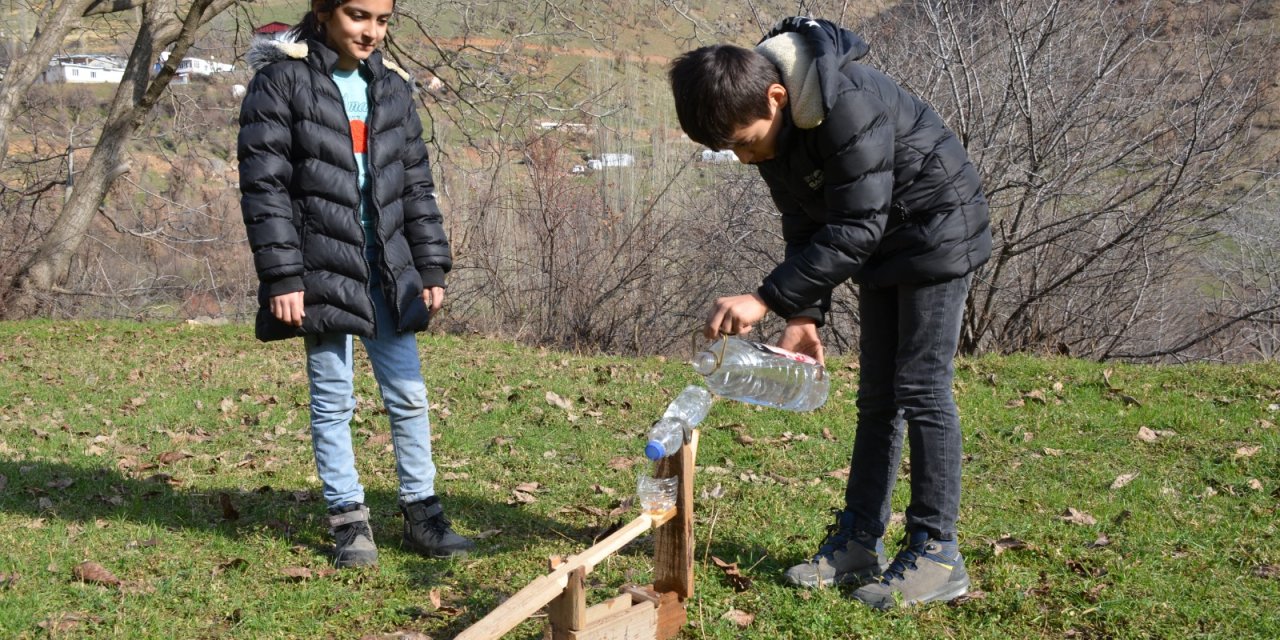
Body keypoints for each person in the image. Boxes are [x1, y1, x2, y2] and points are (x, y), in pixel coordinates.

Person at [668, 17, 991, 609]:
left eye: (743, 141)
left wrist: (766, 299)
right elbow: (805, 222)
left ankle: (937, 552)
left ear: (776, 96)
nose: (742, 157)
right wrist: (805, 315)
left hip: (935, 231)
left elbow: (854, 227)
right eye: (727, 149)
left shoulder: (846, 103)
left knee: (920, 388)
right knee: (877, 398)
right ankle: (859, 542)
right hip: (881, 244)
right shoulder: (779, 124)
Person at [238, 0, 474, 568]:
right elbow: (264, 189)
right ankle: (350, 523)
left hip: (389, 269)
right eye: (358, 15)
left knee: (409, 396)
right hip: (320, 267)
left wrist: (431, 265)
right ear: (323, 13)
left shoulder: (392, 89)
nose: (371, 31)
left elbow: (416, 182)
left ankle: (424, 515)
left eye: (383, 20)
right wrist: (283, 276)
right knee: (332, 399)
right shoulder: (279, 83)